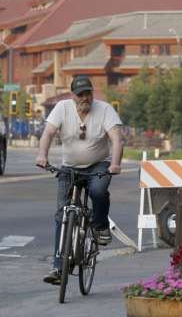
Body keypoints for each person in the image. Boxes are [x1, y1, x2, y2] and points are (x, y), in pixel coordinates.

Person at [35, 75, 124, 285]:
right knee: (61, 214)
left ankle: (100, 226)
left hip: (98, 165)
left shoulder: (105, 109)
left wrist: (115, 164)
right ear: (72, 96)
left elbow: (116, 139)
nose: (85, 97)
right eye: (81, 94)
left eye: (88, 93)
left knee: (98, 191)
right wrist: (42, 155)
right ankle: (57, 268)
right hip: (70, 167)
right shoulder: (62, 108)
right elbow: (48, 133)